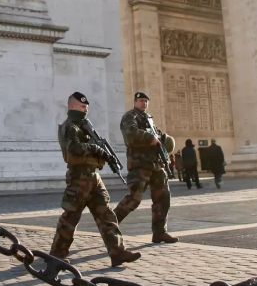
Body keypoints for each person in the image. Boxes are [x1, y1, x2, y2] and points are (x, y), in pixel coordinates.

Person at [49, 92, 141, 267]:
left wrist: (103, 152)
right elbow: (74, 148)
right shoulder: (70, 127)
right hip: (79, 178)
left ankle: (118, 252)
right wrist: (96, 149)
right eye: (82, 107)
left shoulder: (84, 127)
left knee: (107, 215)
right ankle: (56, 255)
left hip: (93, 177)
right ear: (72, 106)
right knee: (70, 217)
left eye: (87, 108)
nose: (86, 110)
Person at [114, 92, 178, 244]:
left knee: (163, 198)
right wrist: (150, 139)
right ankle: (108, 226)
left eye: (146, 101)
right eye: (141, 100)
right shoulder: (130, 117)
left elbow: (159, 137)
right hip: (139, 164)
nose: (143, 103)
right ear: (135, 102)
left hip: (156, 164)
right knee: (133, 199)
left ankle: (160, 232)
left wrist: (165, 141)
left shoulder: (149, 119)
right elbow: (130, 134)